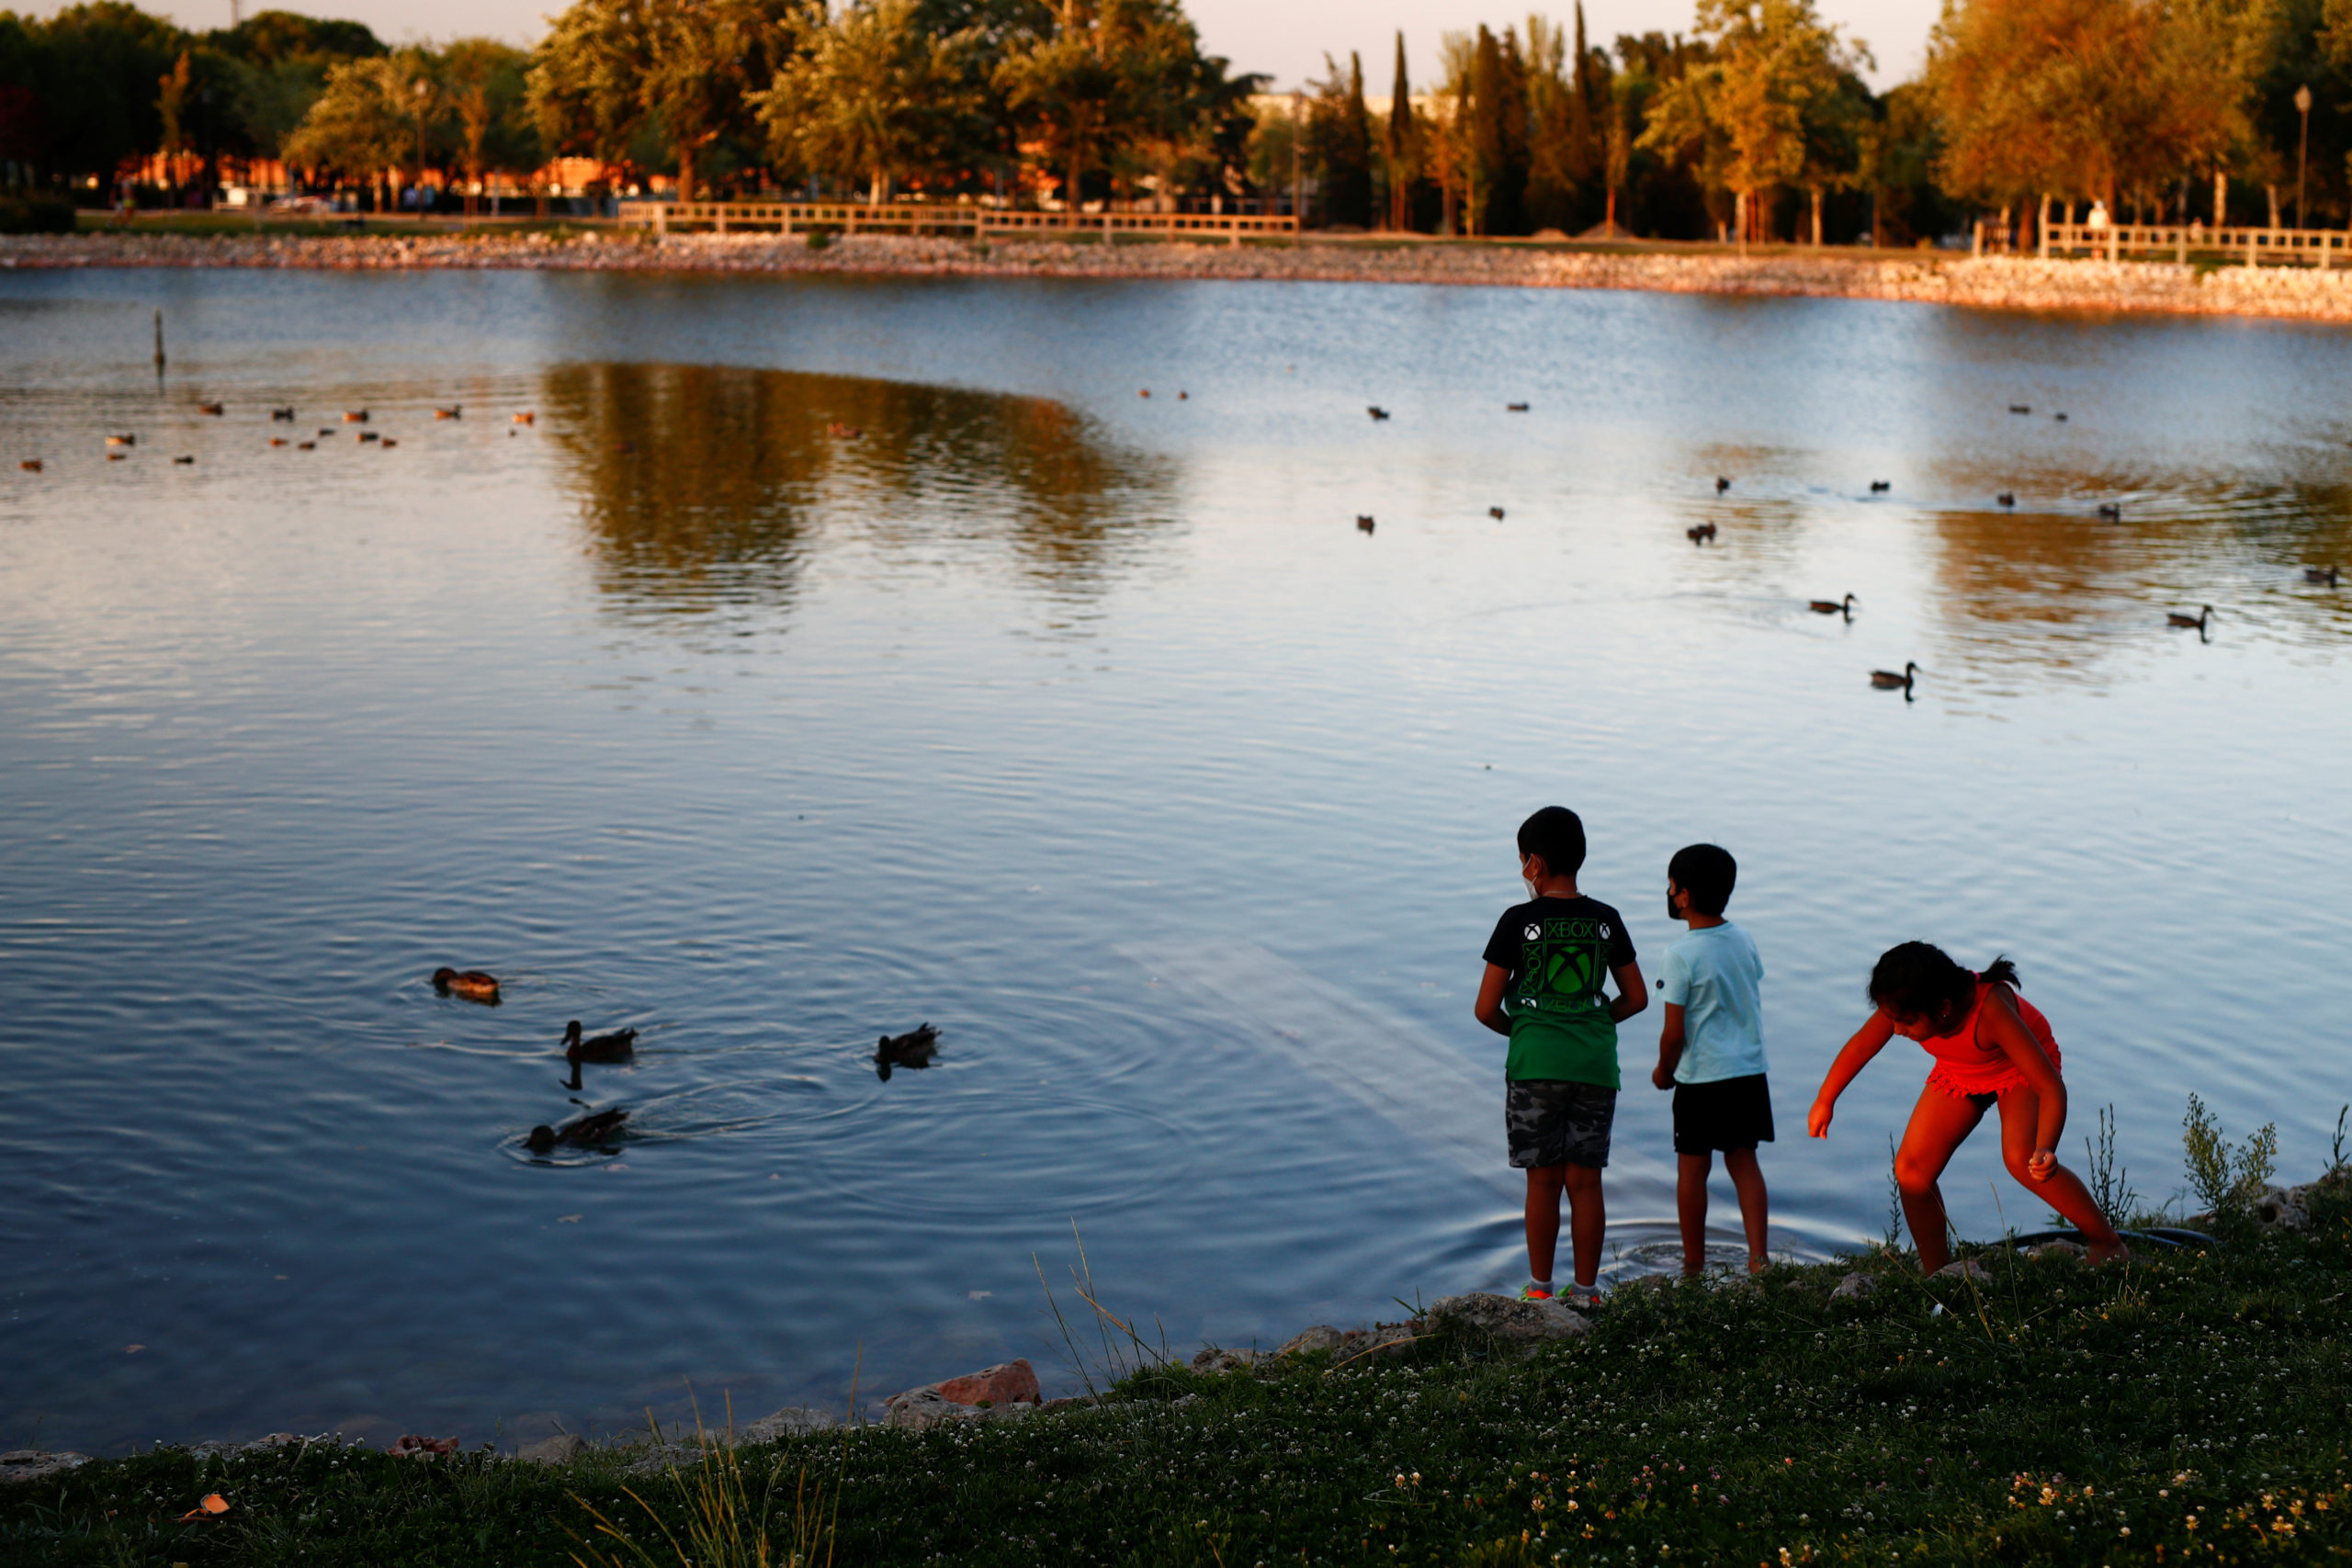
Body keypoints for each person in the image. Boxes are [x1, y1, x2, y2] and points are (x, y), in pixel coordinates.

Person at [1807, 942, 2127, 1272]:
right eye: (1892, 1020)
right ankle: (1939, 1273)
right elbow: (1861, 1045)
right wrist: (1825, 1099)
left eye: (1906, 1022)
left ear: (1943, 1007)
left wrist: (2046, 1146)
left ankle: (2108, 1243)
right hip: (1961, 1070)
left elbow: (2050, 1087)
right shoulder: (1907, 1004)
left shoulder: (1992, 1012)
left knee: (2023, 1160)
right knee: (1912, 1171)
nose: (1897, 1029)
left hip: (2018, 1069)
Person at [1475, 807, 1646, 1306]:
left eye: (1522, 860)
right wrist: (1588, 1026)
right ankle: (1588, 1292)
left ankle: (1541, 1291)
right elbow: (1636, 997)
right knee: (1586, 1182)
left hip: (1535, 1067)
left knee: (1542, 1182)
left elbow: (1486, 1009)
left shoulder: (1516, 921)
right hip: (1594, 1067)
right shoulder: (1606, 920)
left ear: (1535, 864)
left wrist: (1526, 1032)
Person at [1649, 844, 1771, 1277]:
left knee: (1692, 1169)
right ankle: (1759, 1260)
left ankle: (1694, 1264)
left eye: (1670, 886)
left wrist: (1664, 1071)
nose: (1668, 893)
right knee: (1744, 1162)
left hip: (1700, 1078)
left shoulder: (1680, 954)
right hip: (1748, 1072)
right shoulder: (1743, 938)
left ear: (1682, 895)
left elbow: (1673, 1032)